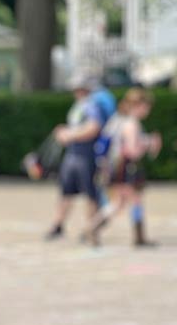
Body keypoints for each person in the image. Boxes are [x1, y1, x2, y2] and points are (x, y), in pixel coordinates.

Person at [86, 87, 163, 247]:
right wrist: (149, 144)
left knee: (123, 202)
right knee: (128, 201)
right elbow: (132, 151)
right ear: (138, 105)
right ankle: (97, 229)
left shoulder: (122, 120)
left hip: (119, 167)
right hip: (124, 167)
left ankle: (95, 228)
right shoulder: (131, 124)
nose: (147, 110)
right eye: (146, 106)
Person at [46, 76, 111, 243]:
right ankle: (58, 224)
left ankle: (91, 227)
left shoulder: (92, 106)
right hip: (73, 154)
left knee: (90, 193)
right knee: (66, 191)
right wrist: (65, 131)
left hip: (86, 154)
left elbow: (94, 128)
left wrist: (70, 135)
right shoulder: (78, 106)